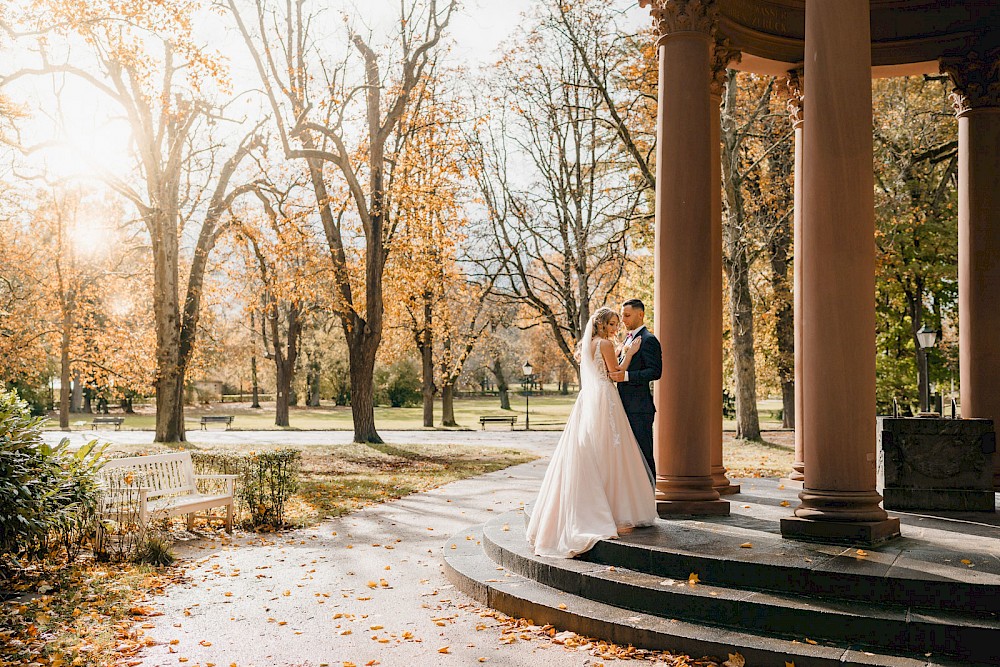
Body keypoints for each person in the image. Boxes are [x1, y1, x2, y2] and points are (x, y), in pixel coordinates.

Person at [526, 307, 658, 559]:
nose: (616, 328)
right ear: (601, 324)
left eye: (617, 323)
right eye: (612, 324)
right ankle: (612, 510)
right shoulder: (606, 344)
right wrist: (629, 353)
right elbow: (615, 374)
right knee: (610, 449)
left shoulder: (586, 345)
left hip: (588, 398)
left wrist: (619, 351)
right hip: (605, 397)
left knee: (590, 447)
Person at [609, 299, 661, 477]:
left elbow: (655, 372)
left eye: (627, 315)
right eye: (622, 315)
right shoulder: (627, 339)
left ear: (641, 314)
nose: (623, 320)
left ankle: (650, 492)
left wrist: (626, 377)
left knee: (644, 455)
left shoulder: (649, 340)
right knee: (628, 457)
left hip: (639, 409)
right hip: (623, 406)